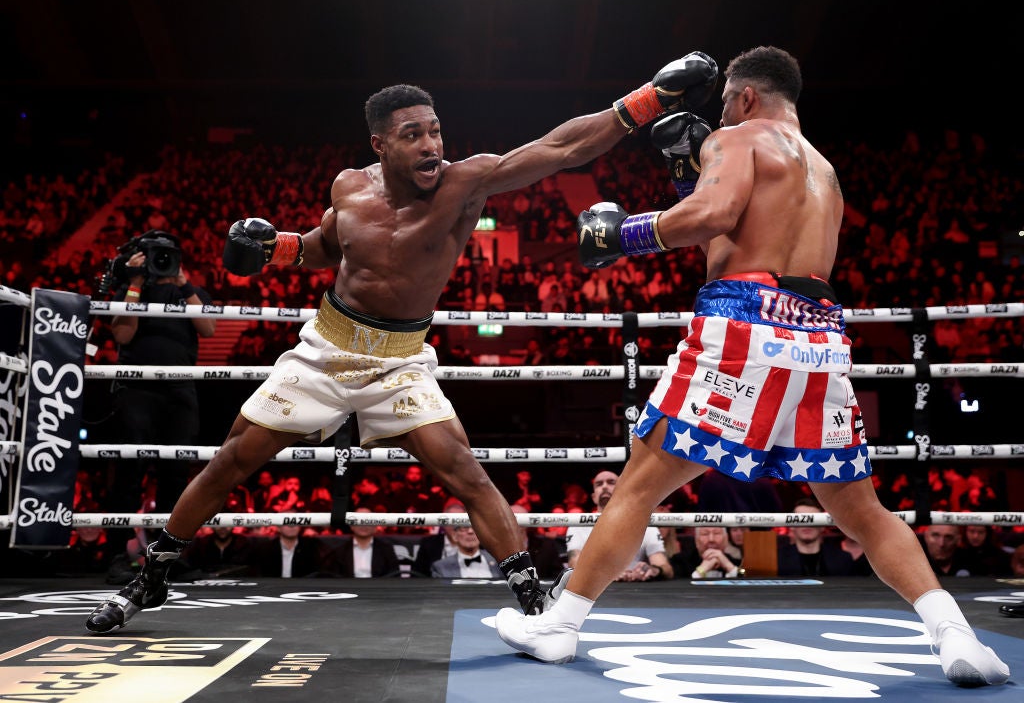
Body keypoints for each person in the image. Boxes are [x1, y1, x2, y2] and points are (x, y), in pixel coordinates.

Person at [84, 52, 718, 633]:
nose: (431, 145)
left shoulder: (465, 185)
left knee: (467, 474)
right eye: (413, 134)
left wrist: (647, 99)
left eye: (435, 130)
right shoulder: (348, 189)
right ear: (380, 144)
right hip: (326, 349)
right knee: (231, 461)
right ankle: (153, 577)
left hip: (401, 361)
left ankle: (535, 601)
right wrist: (273, 249)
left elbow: (559, 149)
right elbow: (321, 250)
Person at [494, 46, 1009, 686]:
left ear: (742, 98)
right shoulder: (823, 170)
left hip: (743, 327)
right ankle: (954, 634)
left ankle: (558, 627)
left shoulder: (737, 137)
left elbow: (713, 222)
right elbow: (745, 239)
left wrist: (621, 233)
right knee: (860, 510)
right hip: (821, 337)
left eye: (724, 105)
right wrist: (686, 178)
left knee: (639, 484)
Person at [100, 236, 216, 567]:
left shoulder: (188, 292)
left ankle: (167, 556)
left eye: (167, 257)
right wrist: (135, 282)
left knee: (176, 474)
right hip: (137, 390)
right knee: (128, 471)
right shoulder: (131, 290)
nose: (162, 262)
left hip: (180, 390)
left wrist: (183, 282)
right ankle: (118, 553)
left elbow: (207, 328)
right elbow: (122, 335)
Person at [565, 470, 672, 582]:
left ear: (624, 490)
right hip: (594, 587)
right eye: (599, 484)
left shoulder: (645, 524)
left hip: (634, 588)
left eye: (611, 482)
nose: (605, 486)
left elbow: (665, 567)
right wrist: (606, 574)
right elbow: (574, 564)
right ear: (593, 497)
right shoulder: (578, 525)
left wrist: (654, 570)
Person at [776, 498, 863, 576]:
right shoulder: (776, 559)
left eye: (813, 520)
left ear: (823, 526)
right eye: (801, 519)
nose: (807, 525)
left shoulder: (843, 558)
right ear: (791, 526)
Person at [321, 507, 400, 578]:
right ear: (351, 526)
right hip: (348, 591)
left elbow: (395, 577)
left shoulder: (386, 550)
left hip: (378, 591)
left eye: (367, 521)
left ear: (375, 526)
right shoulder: (340, 552)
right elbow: (333, 578)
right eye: (359, 520)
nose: (363, 525)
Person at [247, 510, 325, 578]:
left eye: (295, 521)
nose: (292, 525)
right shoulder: (265, 549)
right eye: (287, 521)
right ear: (278, 527)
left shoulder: (311, 548)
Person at [431, 523, 503, 579]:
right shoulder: (441, 567)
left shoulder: (499, 561)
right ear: (454, 536)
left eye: (475, 528)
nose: (470, 531)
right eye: (464, 528)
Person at [670, 526, 743, 579]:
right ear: (696, 541)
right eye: (705, 534)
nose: (711, 539)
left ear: (726, 539)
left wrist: (729, 567)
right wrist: (701, 570)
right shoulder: (679, 562)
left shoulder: (737, 563)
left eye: (717, 533)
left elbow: (745, 575)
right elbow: (680, 589)